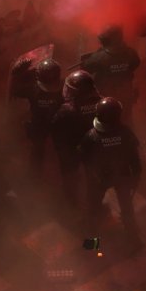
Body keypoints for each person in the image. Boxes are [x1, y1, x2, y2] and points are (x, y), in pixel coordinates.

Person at [79, 98, 143, 242]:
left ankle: (92, 243)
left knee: (93, 208)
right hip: (124, 175)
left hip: (100, 178)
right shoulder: (126, 133)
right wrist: (136, 175)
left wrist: (91, 177)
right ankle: (133, 237)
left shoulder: (92, 136)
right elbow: (135, 157)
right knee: (126, 207)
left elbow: (83, 157)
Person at [51, 70, 101, 205]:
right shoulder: (101, 103)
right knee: (93, 176)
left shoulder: (66, 110)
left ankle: (71, 202)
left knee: (70, 176)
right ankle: (95, 202)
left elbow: (56, 129)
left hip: (73, 148)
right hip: (95, 146)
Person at [14, 58, 64, 173]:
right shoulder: (64, 86)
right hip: (59, 123)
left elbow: (16, 90)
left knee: (37, 150)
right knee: (61, 149)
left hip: (39, 124)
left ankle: (35, 175)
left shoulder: (32, 89)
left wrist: (19, 72)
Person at [80, 25, 141, 119]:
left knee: (106, 119)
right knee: (126, 118)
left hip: (105, 96)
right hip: (126, 94)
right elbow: (135, 64)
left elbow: (85, 69)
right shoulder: (131, 53)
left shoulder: (99, 57)